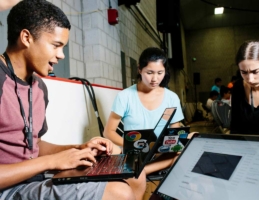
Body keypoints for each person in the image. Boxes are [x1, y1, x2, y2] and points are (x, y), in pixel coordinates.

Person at [0, 1, 146, 200]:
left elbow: (35, 145)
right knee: (119, 193)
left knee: (135, 173)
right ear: (26, 37)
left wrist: (78, 149)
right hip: (8, 190)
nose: (61, 55)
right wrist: (52, 162)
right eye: (56, 45)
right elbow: (44, 160)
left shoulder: (39, 87)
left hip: (36, 179)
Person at [104, 47, 185, 175]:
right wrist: (134, 146)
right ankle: (141, 169)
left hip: (160, 154)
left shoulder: (172, 98)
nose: (155, 79)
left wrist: (161, 148)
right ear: (140, 69)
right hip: (133, 154)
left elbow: (174, 133)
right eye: (149, 72)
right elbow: (108, 132)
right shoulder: (125, 96)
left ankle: (142, 171)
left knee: (185, 148)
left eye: (160, 73)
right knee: (109, 150)